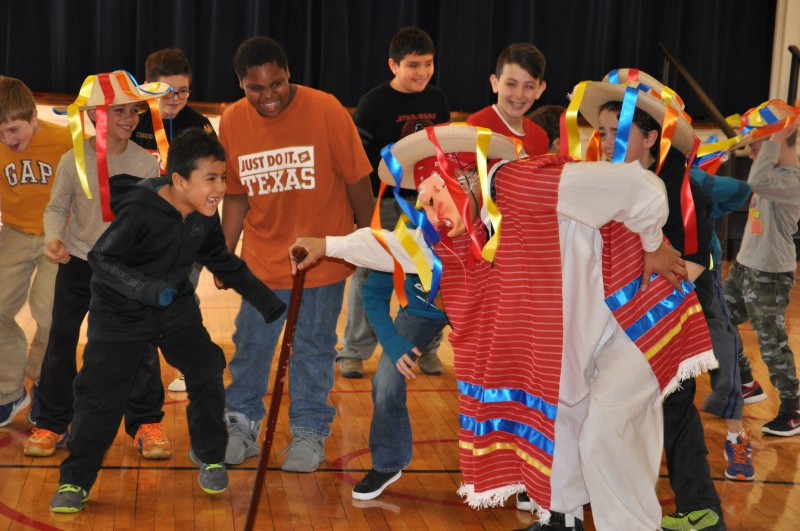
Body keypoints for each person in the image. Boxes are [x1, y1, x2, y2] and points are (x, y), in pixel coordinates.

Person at [291, 124, 716, 531]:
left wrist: (652, 244)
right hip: (587, 331)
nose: (428, 212)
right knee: (559, 414)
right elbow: (399, 247)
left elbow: (641, 187)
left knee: (606, 433)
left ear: (462, 176)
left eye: (432, 197)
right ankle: (562, 519)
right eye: (423, 203)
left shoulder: (524, 182)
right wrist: (326, 245)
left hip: (637, 312)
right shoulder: (459, 232)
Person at [49, 129, 286, 513]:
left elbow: (221, 260)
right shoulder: (140, 211)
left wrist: (266, 302)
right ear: (179, 180)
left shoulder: (203, 215)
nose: (220, 188)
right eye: (211, 178)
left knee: (206, 366)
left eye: (223, 178)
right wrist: (146, 290)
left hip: (173, 307)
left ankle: (210, 455)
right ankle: (75, 480)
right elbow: (101, 259)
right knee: (101, 397)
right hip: (120, 314)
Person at [570, 68, 726, 530]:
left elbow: (690, 264)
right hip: (623, 321)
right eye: (600, 132)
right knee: (645, 420)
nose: (603, 141)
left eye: (613, 131)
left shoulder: (681, 186)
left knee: (668, 411)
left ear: (651, 137)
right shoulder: (607, 179)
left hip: (667, 317)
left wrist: (640, 290)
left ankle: (699, 509)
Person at [218, 36, 374, 472]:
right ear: (241, 84)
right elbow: (236, 194)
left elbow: (358, 180)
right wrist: (224, 254)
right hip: (262, 262)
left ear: (289, 74)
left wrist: (369, 239)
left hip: (320, 260)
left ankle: (308, 430)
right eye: (256, 88)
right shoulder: (232, 121)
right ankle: (240, 425)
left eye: (277, 84)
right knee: (251, 344)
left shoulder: (326, 109)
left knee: (313, 346)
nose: (268, 96)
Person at [25, 72, 171, 459]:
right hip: (78, 262)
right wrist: (54, 239)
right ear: (93, 115)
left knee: (140, 343)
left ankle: (146, 422)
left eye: (133, 111)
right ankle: (52, 422)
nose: (129, 118)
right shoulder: (72, 161)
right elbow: (57, 208)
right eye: (118, 111)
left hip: (126, 270)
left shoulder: (145, 163)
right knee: (60, 339)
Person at [338, 26, 451, 379]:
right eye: (413, 65)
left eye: (428, 64)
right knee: (369, 275)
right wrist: (357, 209)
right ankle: (354, 351)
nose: (422, 72)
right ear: (393, 65)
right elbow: (354, 160)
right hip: (384, 203)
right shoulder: (374, 103)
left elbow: (446, 152)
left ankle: (427, 348)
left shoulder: (437, 100)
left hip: (427, 205)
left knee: (429, 272)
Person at [132, 47, 217, 393]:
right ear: (147, 88)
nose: (175, 99)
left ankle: (195, 364)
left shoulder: (200, 126)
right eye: (166, 91)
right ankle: (144, 368)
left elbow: (213, 182)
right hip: (142, 233)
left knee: (178, 295)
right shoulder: (133, 121)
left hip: (188, 232)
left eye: (183, 91)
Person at [723, 99, 800, 436]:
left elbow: (756, 179)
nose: (752, 155)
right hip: (745, 266)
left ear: (777, 142)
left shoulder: (791, 181)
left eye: (756, 147)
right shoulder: (771, 175)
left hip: (770, 273)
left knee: (771, 342)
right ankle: (745, 381)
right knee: (720, 320)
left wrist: (773, 141)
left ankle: (793, 408)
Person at [0, 77, 72, 427]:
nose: (8, 140)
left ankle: (44, 381)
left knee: (49, 314)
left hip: (56, 235)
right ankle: (10, 392)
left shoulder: (65, 141)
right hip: (14, 231)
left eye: (14, 130)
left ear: (33, 117)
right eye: (0, 133)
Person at [351, 268, 449, 500]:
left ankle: (518, 473)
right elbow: (373, 292)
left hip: (478, 308)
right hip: (419, 310)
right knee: (385, 382)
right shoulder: (405, 243)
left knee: (499, 380)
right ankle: (387, 464)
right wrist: (393, 344)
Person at [466, 43, 549, 156]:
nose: (519, 95)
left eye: (529, 86)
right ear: (495, 83)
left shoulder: (540, 137)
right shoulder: (476, 127)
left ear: (540, 89)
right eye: (511, 84)